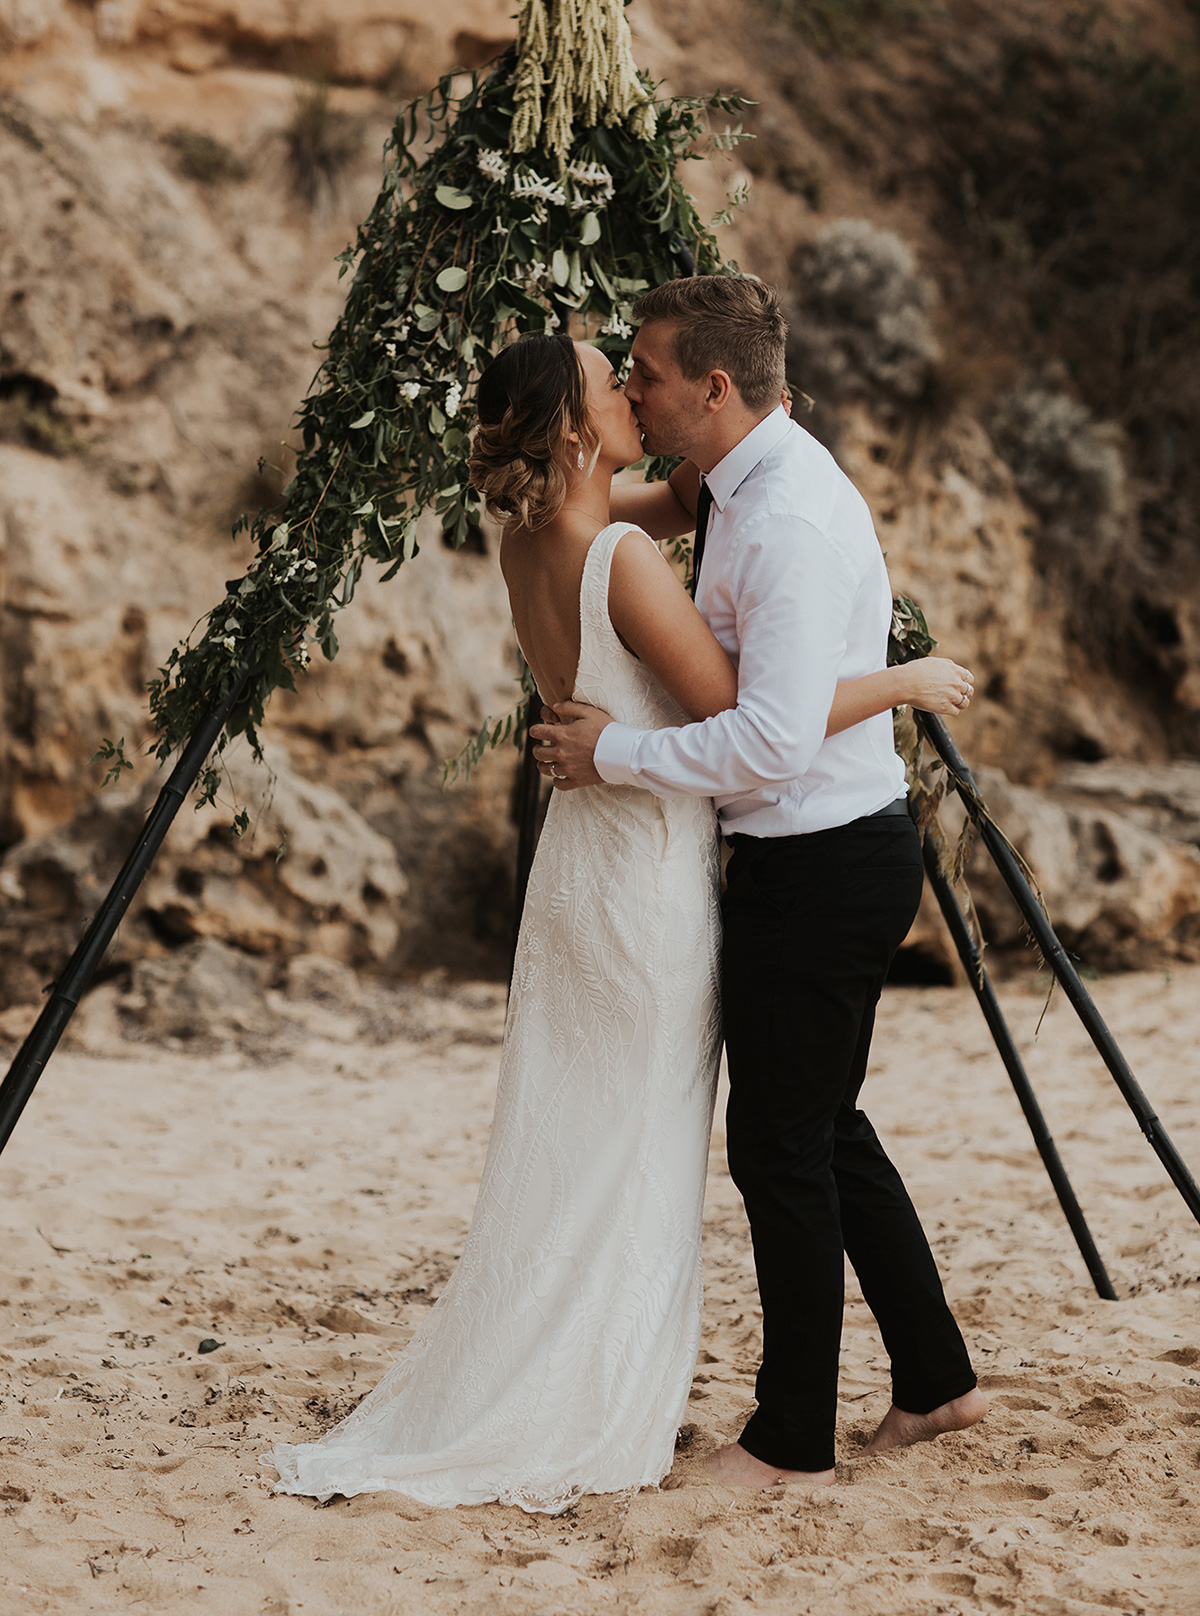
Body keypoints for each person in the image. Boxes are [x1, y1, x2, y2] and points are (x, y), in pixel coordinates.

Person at [267, 327, 973, 1512]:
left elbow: (685, 483)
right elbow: (747, 719)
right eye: (614, 380)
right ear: (584, 427)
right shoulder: (627, 561)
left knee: (595, 1126)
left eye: (643, 372)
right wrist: (900, 680)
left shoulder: (531, 536)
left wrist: (740, 418)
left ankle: (905, 1371)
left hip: (578, 877)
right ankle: (606, 1385)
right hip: (650, 873)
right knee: (658, 1142)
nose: (633, 393)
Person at [531, 277, 987, 1490]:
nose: (633, 386)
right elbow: (621, 509)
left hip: (822, 864)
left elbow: (770, 741)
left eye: (649, 374)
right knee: (824, 1130)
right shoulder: (731, 477)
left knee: (779, 1151)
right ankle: (938, 1384)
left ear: (715, 389)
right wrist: (539, 482)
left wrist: (607, 753)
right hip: (820, 855)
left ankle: (790, 1442)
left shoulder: (787, 519)